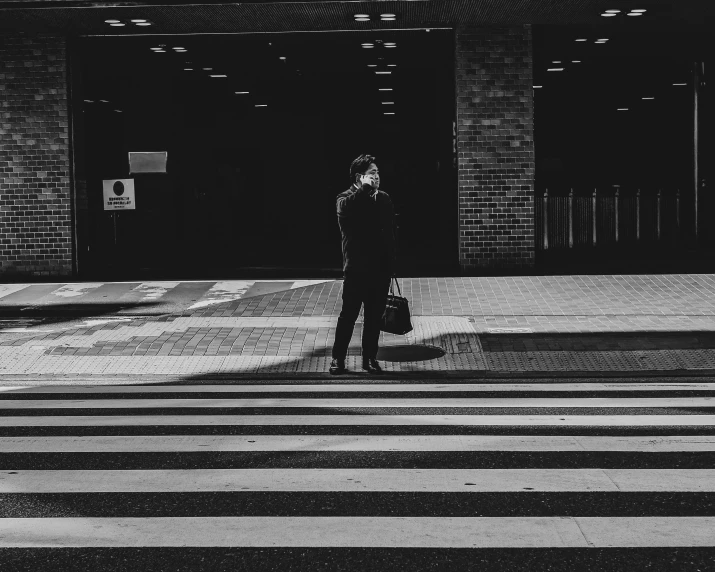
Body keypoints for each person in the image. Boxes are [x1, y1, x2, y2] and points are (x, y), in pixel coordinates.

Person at [330, 154, 396, 375]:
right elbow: (345, 209)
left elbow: (389, 233)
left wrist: (390, 263)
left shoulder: (384, 198)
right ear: (359, 177)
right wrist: (364, 191)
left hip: (379, 269)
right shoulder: (345, 198)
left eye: (377, 173)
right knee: (348, 315)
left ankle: (370, 358)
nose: (377, 177)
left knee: (373, 318)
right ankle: (338, 359)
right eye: (372, 174)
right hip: (356, 269)